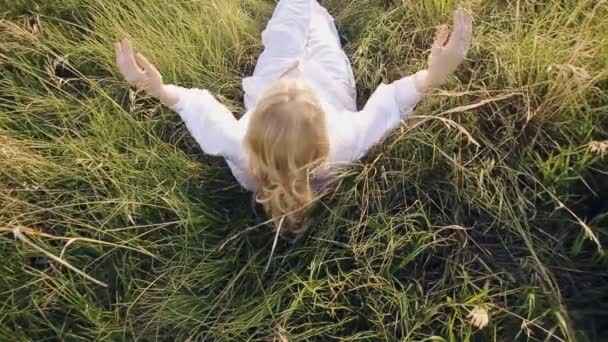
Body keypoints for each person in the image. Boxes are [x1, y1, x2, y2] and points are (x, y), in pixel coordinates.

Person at [115, 0, 472, 236]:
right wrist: (434, 75)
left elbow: (198, 109)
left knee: (285, 31)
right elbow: (391, 103)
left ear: (254, 133)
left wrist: (158, 89)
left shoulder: (240, 147)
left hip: (276, 71)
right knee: (318, 30)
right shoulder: (344, 142)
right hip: (329, 80)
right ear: (323, 139)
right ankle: (315, 12)